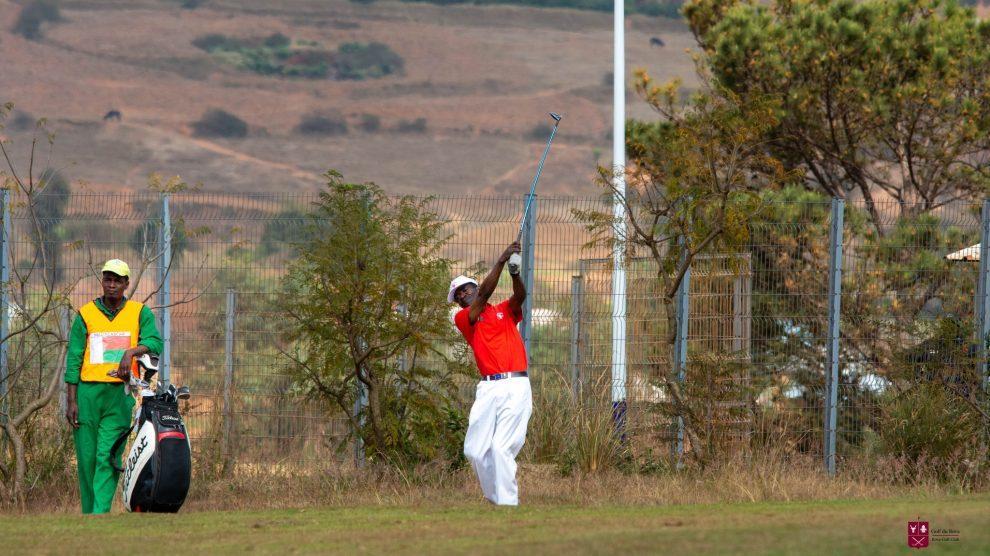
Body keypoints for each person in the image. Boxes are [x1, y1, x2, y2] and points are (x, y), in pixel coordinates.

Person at [64, 259, 162, 514]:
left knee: (107, 455)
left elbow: (155, 342)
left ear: (126, 284)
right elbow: (74, 359)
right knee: (87, 459)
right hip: (87, 394)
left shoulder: (140, 313)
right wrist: (71, 401)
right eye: (108, 279)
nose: (112, 285)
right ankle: (89, 515)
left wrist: (131, 352)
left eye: (118, 280)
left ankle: (99, 514)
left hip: (119, 395)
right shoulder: (85, 314)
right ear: (102, 281)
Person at [449, 241, 532, 506]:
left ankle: (507, 505)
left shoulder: (504, 311)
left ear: (474, 287)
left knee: (500, 448)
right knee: (474, 450)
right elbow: (485, 293)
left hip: (516, 385)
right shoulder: (465, 318)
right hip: (488, 388)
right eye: (458, 294)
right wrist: (501, 260)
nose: (463, 294)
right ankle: (495, 498)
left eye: (467, 288)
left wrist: (514, 273)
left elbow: (520, 297)